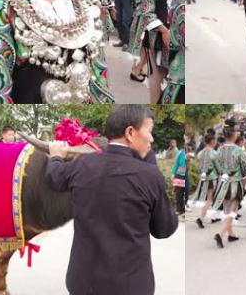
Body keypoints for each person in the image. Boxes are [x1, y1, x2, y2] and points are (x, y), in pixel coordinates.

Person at [46, 105, 178, 295]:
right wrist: (150, 162)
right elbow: (164, 228)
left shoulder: (82, 164)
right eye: (149, 131)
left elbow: (54, 178)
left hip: (82, 282)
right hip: (128, 286)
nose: (152, 138)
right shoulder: (148, 174)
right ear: (130, 132)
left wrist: (56, 156)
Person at [133, 0, 186, 104]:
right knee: (157, 76)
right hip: (156, 38)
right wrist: (163, 30)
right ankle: (154, 108)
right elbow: (147, 12)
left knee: (177, 80)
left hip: (178, 40)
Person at [210, 123, 246, 248]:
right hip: (235, 184)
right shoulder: (239, 150)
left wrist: (223, 173)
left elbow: (216, 165)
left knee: (227, 211)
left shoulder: (219, 149)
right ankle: (220, 234)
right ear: (234, 136)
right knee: (232, 211)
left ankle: (231, 234)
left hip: (223, 184)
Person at [191, 133, 218, 228]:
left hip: (203, 178)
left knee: (206, 199)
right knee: (210, 199)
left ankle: (213, 216)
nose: (216, 142)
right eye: (215, 140)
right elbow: (218, 167)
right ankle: (201, 218)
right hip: (212, 178)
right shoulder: (214, 153)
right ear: (212, 141)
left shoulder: (200, 153)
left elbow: (198, 166)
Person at [171, 143, 187, 215]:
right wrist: (173, 174)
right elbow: (176, 163)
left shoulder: (189, 153)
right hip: (179, 176)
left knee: (185, 193)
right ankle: (179, 209)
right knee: (178, 193)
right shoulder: (180, 153)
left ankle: (184, 209)